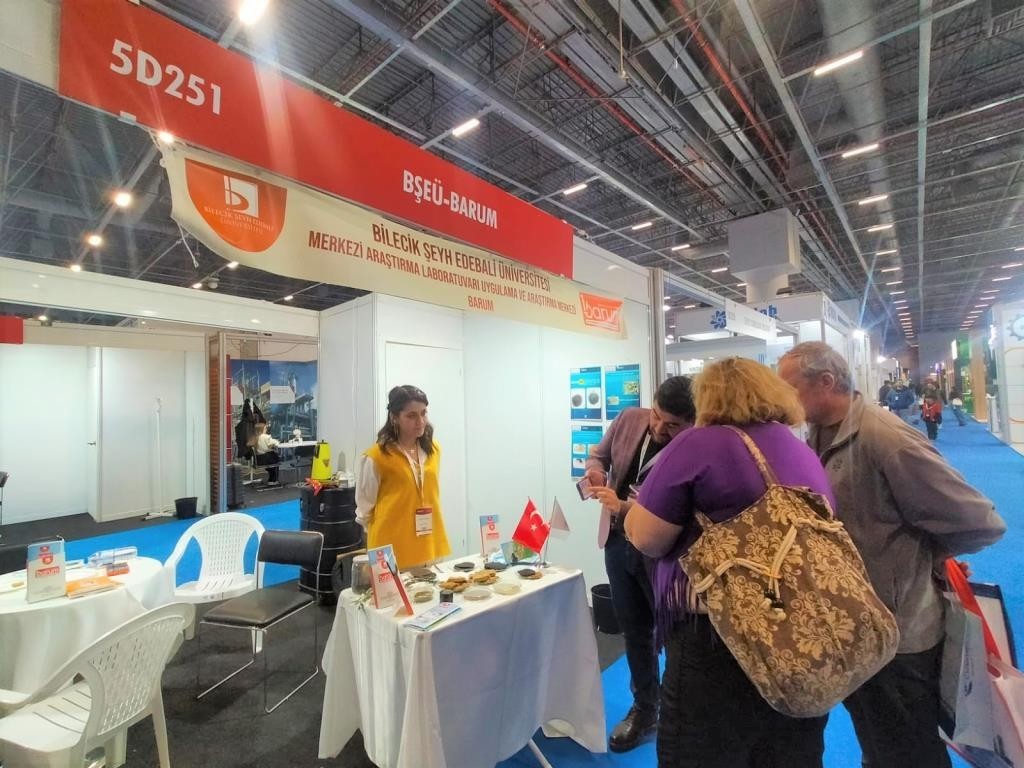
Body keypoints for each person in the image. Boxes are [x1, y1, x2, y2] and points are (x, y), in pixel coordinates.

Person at [778, 342, 1005, 768]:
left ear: (826, 382)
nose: (782, 400)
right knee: (879, 748)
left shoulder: (886, 439)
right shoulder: (820, 434)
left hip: (899, 640)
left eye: (790, 389)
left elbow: (982, 521)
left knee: (908, 753)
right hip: (859, 632)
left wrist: (931, 556)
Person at [624, 358, 833, 768]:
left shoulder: (699, 444)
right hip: (798, 628)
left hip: (717, 633)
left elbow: (648, 539)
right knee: (785, 752)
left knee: (699, 752)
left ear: (708, 398)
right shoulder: (798, 448)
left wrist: (629, 513)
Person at [583, 376, 696, 752]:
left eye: (673, 425)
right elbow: (599, 454)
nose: (660, 428)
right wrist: (596, 471)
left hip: (662, 554)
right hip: (618, 544)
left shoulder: (696, 447)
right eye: (658, 416)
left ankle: (680, 714)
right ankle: (646, 710)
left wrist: (626, 507)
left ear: (692, 422)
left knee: (676, 637)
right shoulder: (630, 418)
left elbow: (685, 508)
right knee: (634, 631)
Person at [355, 385, 450, 570]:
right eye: (411, 415)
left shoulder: (433, 450)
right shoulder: (376, 457)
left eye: (423, 413)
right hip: (391, 548)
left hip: (429, 543)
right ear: (394, 417)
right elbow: (364, 509)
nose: (420, 421)